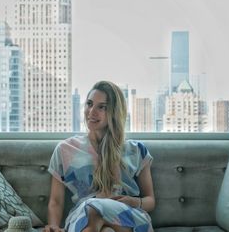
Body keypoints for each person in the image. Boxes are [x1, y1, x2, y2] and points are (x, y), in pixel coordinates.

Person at [44, 80, 155, 232]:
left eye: (101, 107)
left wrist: (134, 201)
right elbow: (55, 201)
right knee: (96, 215)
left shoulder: (137, 151)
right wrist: (54, 227)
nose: (91, 112)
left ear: (114, 112)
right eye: (89, 104)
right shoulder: (65, 150)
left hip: (128, 216)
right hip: (83, 215)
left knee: (95, 210)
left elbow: (150, 200)